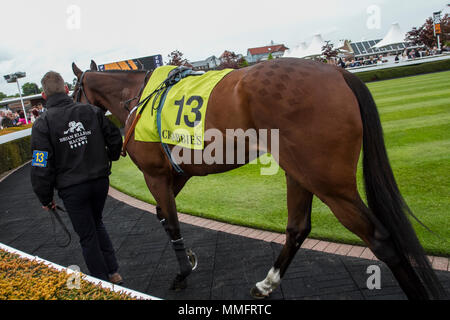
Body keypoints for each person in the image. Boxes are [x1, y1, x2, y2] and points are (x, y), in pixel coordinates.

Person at [30, 71, 124, 284]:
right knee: (97, 223)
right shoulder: (91, 111)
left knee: (88, 235)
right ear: (65, 89)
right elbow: (115, 138)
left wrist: (45, 198)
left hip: (72, 189)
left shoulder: (42, 124)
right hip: (100, 182)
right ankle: (113, 272)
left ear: (44, 96)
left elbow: (40, 165)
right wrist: (109, 157)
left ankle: (102, 282)